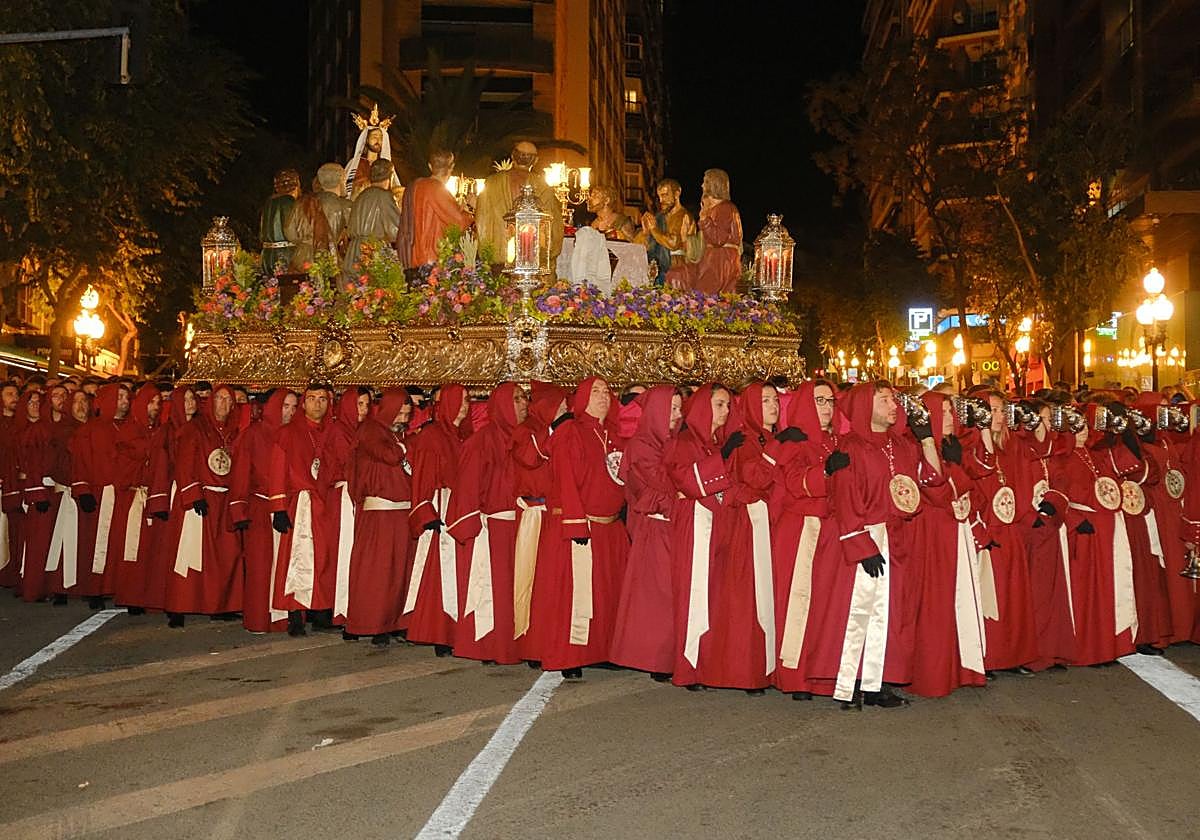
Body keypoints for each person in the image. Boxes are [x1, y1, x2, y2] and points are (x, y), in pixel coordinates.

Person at [825, 381, 947, 708]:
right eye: (884, 400)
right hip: (867, 537)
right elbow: (845, 498)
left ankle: (879, 681)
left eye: (894, 399)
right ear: (867, 406)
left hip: (897, 538)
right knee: (860, 612)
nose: (894, 406)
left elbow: (932, 483)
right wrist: (860, 544)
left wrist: (927, 440)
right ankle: (851, 681)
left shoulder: (903, 445)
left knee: (893, 613)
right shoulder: (850, 447)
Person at [536, 377, 629, 679]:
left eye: (607, 391)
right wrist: (575, 523)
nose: (603, 397)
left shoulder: (614, 435)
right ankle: (571, 655)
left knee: (606, 592)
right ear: (583, 398)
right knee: (577, 594)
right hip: (583, 524)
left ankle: (601, 649)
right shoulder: (571, 433)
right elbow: (565, 479)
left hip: (610, 526)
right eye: (596, 392)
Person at [770, 380, 851, 700]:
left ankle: (822, 672)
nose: (827, 407)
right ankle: (796, 676)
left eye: (831, 400)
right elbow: (793, 482)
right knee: (800, 603)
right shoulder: (795, 442)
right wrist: (826, 473)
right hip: (802, 531)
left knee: (827, 605)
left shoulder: (838, 440)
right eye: (819, 401)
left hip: (831, 530)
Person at [446, 383, 527, 663]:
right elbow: (468, 485)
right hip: (494, 525)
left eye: (524, 398)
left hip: (522, 524)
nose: (523, 404)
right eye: (516, 399)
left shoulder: (526, 438)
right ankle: (491, 646)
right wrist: (471, 524)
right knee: (493, 589)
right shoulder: (481, 441)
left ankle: (518, 644)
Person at [664, 384, 735, 689]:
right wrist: (724, 459)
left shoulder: (716, 442)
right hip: (695, 524)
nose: (726, 411)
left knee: (715, 594)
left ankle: (710, 662)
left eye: (728, 405)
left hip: (716, 523)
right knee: (695, 594)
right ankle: (689, 665)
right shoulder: (683, 441)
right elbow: (686, 480)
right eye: (720, 405)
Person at [609, 385, 682, 680]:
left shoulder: (674, 442)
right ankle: (657, 658)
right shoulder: (641, 446)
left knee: (673, 592)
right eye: (672, 409)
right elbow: (660, 486)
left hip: (673, 525)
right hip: (656, 529)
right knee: (659, 595)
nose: (677, 416)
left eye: (680, 409)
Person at [164, 385, 243, 623]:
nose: (223, 404)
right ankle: (178, 607)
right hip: (201, 498)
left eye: (228, 400)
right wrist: (193, 494)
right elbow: (185, 462)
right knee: (190, 554)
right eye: (219, 398)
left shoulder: (234, 431)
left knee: (226, 554)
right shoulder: (195, 428)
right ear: (210, 401)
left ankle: (220, 605)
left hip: (225, 499)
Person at [404, 383, 471, 654]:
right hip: (441, 508)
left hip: (458, 506)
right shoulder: (433, 436)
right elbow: (423, 477)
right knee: (440, 574)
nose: (466, 405)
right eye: (462, 400)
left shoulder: (460, 434)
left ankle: (455, 630)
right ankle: (439, 631)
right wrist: (425, 511)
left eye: (468, 400)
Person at [344, 389, 413, 645]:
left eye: (407, 414)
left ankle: (394, 620)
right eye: (400, 413)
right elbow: (390, 455)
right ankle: (372, 622)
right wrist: (406, 445)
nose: (404, 419)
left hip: (401, 509)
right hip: (379, 511)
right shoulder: (371, 430)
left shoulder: (398, 434)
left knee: (399, 571)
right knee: (377, 571)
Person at [229, 389, 297, 634]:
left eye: (293, 407)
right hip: (260, 508)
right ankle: (259, 619)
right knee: (260, 567)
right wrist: (239, 510)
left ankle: (283, 618)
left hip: (289, 508)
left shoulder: (294, 434)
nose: (289, 412)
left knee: (286, 564)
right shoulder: (254, 434)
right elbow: (241, 474)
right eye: (285, 406)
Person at [269, 384, 335, 637]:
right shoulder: (287, 433)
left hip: (324, 502)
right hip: (301, 504)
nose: (317, 404)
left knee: (324, 558)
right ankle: (295, 614)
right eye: (312, 399)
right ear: (303, 403)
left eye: (322, 399)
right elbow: (277, 469)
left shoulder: (329, 431)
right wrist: (278, 507)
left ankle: (320, 610)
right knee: (298, 558)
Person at [510, 381, 569, 660]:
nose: (566, 410)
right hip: (536, 516)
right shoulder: (527, 433)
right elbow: (533, 459)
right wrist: (556, 431)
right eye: (561, 405)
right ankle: (532, 642)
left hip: (556, 515)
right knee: (532, 579)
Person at [69, 383, 132, 609]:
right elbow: (81, 462)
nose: (124, 402)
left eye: (126, 397)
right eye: (120, 397)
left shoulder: (131, 427)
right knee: (95, 543)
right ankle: (94, 588)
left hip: (124, 495)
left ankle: (119, 587)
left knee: (121, 543)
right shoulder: (90, 430)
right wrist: (83, 489)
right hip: (99, 493)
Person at [474, 141, 564, 265]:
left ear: (512, 156)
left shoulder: (491, 183)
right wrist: (546, 255)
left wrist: (486, 253)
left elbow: (481, 220)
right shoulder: (543, 187)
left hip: (498, 260)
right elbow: (554, 228)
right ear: (535, 160)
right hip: (531, 261)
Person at [326, 387, 370, 629]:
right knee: (345, 551)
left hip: (359, 495)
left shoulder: (363, 430)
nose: (363, 410)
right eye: (359, 404)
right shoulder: (339, 431)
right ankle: (342, 607)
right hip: (345, 497)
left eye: (366, 405)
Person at [396, 149, 473, 269]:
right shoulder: (437, 189)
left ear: (430, 166)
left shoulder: (415, 185)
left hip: (412, 257)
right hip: (432, 259)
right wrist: (469, 210)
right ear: (452, 167)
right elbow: (459, 222)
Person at [687, 168, 742, 295]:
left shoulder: (725, 208)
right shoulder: (718, 208)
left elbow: (718, 239)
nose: (702, 186)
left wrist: (705, 219)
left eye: (705, 182)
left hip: (720, 261)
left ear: (714, 184)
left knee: (704, 296)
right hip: (716, 258)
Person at [343, 159, 402, 275]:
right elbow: (396, 230)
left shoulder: (361, 196)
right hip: (373, 251)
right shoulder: (384, 196)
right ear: (390, 177)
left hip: (353, 253)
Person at [635, 179, 694, 287]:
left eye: (665, 195)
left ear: (677, 193)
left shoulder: (683, 216)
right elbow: (641, 246)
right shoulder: (659, 217)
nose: (662, 200)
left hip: (676, 272)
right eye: (659, 196)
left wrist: (653, 229)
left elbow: (673, 243)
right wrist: (645, 232)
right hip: (655, 271)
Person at [344, 108, 398, 198]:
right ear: (366, 140)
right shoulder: (355, 164)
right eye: (374, 136)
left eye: (381, 137)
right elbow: (347, 189)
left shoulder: (387, 166)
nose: (378, 140)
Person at [285, 175, 335, 271]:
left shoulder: (299, 203)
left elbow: (289, 232)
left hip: (302, 254)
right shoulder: (334, 203)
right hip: (326, 252)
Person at [260, 169, 300, 276]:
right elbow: (292, 231)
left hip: (267, 254)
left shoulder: (269, 203)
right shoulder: (289, 202)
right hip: (285, 254)